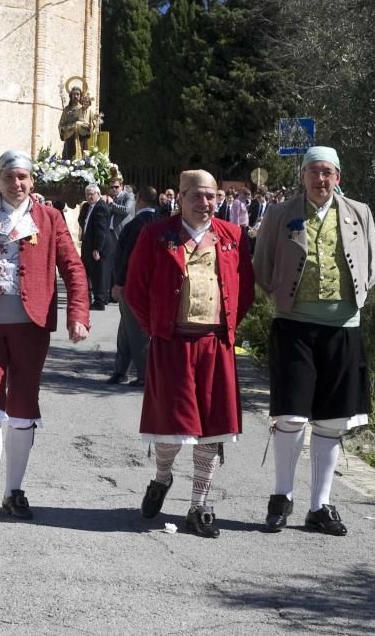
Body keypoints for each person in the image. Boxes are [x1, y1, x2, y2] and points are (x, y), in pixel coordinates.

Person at [0, 149, 90, 525]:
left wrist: (78, 314)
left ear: (32, 182)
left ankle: (14, 491)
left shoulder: (49, 217)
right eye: (10, 177)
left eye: (23, 177)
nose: (17, 184)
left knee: (24, 403)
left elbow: (73, 268)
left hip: (31, 326)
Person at [253, 146, 375, 536]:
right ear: (303, 176)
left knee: (332, 420)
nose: (320, 180)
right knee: (290, 416)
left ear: (337, 177)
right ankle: (281, 497)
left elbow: (373, 263)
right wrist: (279, 294)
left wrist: (354, 301)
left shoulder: (359, 212)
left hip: (343, 326)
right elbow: (262, 264)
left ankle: (319, 505)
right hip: (294, 325)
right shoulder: (279, 214)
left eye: (327, 173)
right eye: (314, 172)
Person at [124, 170, 254, 538]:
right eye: (197, 196)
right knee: (172, 427)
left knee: (212, 429)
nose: (205, 203)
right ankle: (162, 477)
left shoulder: (232, 237)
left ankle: (199, 505)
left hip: (215, 345)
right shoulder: (156, 235)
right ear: (179, 198)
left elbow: (244, 291)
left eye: (211, 196)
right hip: (173, 344)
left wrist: (225, 327)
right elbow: (135, 290)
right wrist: (160, 328)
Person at [108, 186, 160, 386]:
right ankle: (120, 370)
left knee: (137, 331)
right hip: (151, 284)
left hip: (132, 285)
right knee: (126, 329)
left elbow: (126, 258)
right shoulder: (160, 222)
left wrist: (118, 283)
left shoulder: (136, 225)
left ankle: (144, 374)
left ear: (138, 199)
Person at [80, 183, 113, 310]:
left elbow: (101, 230)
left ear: (98, 194)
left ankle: (99, 300)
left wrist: (97, 248)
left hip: (99, 245)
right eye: (87, 194)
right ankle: (92, 298)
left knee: (99, 273)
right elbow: (82, 220)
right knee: (89, 272)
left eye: (91, 194)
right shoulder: (88, 206)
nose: (89, 197)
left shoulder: (101, 207)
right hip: (88, 244)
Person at [58, 84, 94, 160]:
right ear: (71, 96)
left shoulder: (86, 109)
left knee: (82, 160)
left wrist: (82, 126)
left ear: (81, 96)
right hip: (69, 138)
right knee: (68, 160)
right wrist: (68, 128)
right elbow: (61, 124)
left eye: (78, 94)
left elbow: (91, 125)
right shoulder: (67, 109)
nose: (76, 96)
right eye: (74, 94)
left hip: (82, 139)